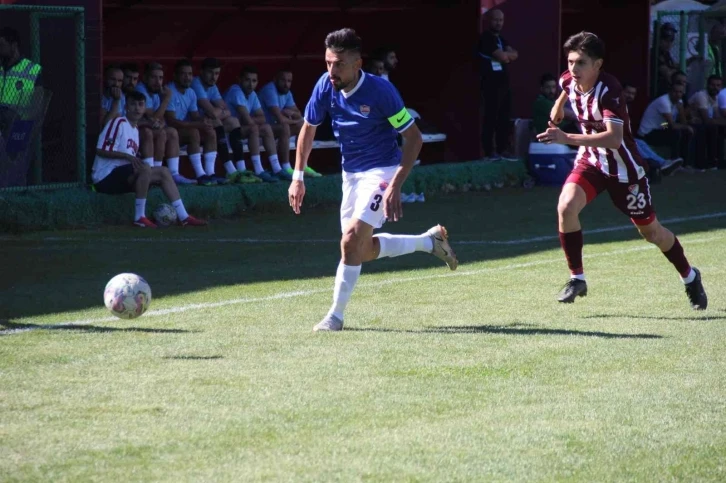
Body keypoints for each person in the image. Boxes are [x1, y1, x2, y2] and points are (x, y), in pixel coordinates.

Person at [288, 28, 459, 332]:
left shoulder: (381, 92)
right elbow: (308, 128)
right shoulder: (324, 87)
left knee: (351, 239)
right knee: (357, 250)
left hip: (383, 171)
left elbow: (413, 138)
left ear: (358, 64)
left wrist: (395, 183)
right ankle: (428, 241)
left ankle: (335, 317)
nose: (331, 71)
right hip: (350, 174)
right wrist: (298, 176)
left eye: (338, 64)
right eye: (328, 63)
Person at [537, 31, 707, 310]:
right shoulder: (569, 79)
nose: (572, 69)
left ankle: (689, 276)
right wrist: (557, 108)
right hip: (591, 161)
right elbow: (565, 90)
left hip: (624, 170)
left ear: (598, 65)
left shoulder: (610, 90)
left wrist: (566, 138)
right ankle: (577, 278)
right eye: (570, 62)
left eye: (580, 63)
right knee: (566, 207)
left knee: (652, 233)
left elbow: (613, 139)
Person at [92, 91, 206, 228]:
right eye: (133, 104)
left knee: (163, 172)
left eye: (141, 105)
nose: (137, 108)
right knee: (145, 167)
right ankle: (139, 217)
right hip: (104, 177)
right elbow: (100, 150)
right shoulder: (118, 122)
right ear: (126, 106)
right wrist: (128, 157)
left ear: (145, 108)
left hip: (123, 177)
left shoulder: (134, 130)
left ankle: (184, 216)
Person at [477, 8, 518, 160]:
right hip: (490, 84)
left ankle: (502, 150)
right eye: (496, 20)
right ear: (489, 20)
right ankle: (489, 152)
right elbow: (502, 57)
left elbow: (515, 54)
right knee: (491, 117)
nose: (498, 23)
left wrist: (508, 55)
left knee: (504, 117)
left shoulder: (501, 39)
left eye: (501, 20)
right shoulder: (486, 38)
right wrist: (507, 56)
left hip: (503, 84)